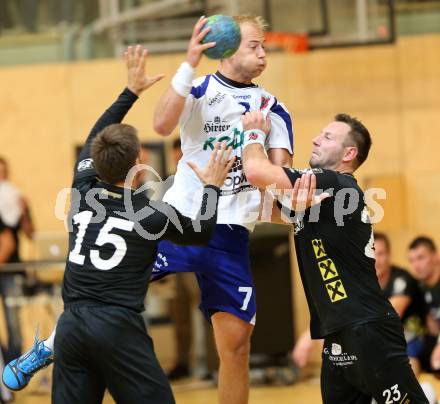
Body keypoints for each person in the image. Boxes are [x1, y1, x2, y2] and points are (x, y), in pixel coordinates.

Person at [2, 45, 235, 403]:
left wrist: (130, 91)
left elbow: (98, 133)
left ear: (96, 160)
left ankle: (47, 347)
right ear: (140, 162)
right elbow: (201, 231)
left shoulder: (81, 190)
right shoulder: (151, 215)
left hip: (72, 326)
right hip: (116, 327)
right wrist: (213, 187)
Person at [241, 110, 428, 403]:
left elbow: (255, 171)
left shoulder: (335, 184)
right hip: (339, 335)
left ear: (349, 153)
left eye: (327, 137)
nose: (315, 139)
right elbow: (264, 207)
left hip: (367, 329)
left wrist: (253, 133)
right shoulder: (319, 197)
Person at [152, 15, 293, 403]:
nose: (263, 54)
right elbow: (161, 125)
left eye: (265, 47)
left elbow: (280, 183)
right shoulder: (197, 90)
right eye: (254, 46)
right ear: (228, 49)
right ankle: (48, 346)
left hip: (229, 233)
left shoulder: (272, 109)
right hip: (180, 221)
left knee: (236, 346)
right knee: (108, 286)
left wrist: (255, 140)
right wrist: (189, 63)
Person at [408, 237, 440, 374]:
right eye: (411, 260)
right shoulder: (419, 288)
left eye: (421, 258)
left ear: (436, 256)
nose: (416, 265)